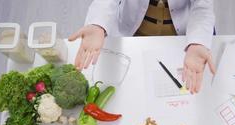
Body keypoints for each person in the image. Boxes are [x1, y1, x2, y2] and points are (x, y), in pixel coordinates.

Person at [69, 0, 216, 94]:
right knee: (132, 88)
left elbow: (203, 7)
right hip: (134, 31)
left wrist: (198, 42)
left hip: (179, 36)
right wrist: (97, 24)